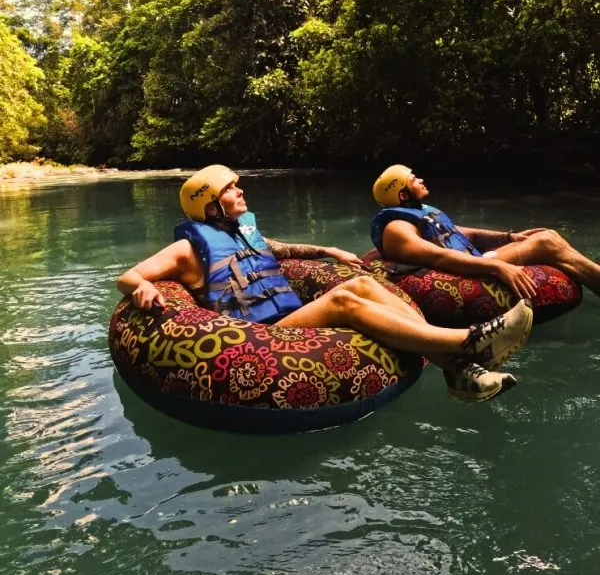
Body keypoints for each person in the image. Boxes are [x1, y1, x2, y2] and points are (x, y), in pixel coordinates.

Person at [116, 165, 533, 404]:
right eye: (231, 188)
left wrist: (328, 251)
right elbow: (130, 274)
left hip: (289, 317)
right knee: (347, 298)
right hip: (260, 337)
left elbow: (279, 249)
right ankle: (468, 342)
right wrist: (142, 286)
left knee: (369, 288)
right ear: (209, 203)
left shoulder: (244, 232)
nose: (241, 191)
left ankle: (458, 371)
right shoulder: (189, 250)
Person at [371, 163, 600, 300]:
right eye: (413, 179)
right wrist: (498, 266)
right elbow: (437, 256)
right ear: (402, 194)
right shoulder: (396, 228)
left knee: (547, 235)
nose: (420, 179)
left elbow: (462, 233)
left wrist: (511, 237)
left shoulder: (421, 211)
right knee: (545, 243)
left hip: (472, 259)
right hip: (459, 274)